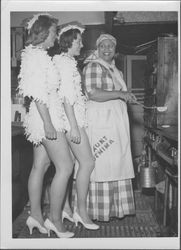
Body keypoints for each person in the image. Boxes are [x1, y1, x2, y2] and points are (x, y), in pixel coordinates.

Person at [18, 13, 74, 238]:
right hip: (45, 117)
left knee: (40, 166)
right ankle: (56, 220)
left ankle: (36, 216)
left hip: (42, 116)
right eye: (53, 32)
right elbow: (39, 96)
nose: (55, 36)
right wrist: (49, 124)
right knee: (66, 166)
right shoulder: (36, 58)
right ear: (42, 32)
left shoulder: (37, 55)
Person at [80, 33, 137, 221]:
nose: (107, 49)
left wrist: (126, 95)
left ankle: (114, 209)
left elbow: (119, 93)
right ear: (97, 49)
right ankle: (95, 211)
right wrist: (121, 95)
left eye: (110, 46)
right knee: (102, 165)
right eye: (103, 46)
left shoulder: (115, 70)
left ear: (115, 50)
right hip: (100, 122)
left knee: (117, 164)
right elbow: (93, 93)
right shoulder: (93, 66)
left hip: (114, 121)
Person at [53, 22, 99, 230]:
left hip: (70, 120)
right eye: (79, 41)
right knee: (87, 163)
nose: (81, 44)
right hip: (72, 121)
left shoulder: (65, 61)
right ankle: (81, 211)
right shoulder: (66, 64)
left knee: (73, 165)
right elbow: (66, 98)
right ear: (69, 41)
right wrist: (73, 126)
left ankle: (66, 209)